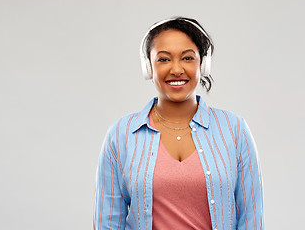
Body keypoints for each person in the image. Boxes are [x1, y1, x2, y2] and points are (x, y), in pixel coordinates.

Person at [93, 17, 264, 230]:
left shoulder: (234, 129)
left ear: (203, 64)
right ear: (148, 66)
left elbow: (252, 220)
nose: (176, 69)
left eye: (188, 58)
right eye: (164, 59)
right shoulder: (121, 134)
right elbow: (108, 223)